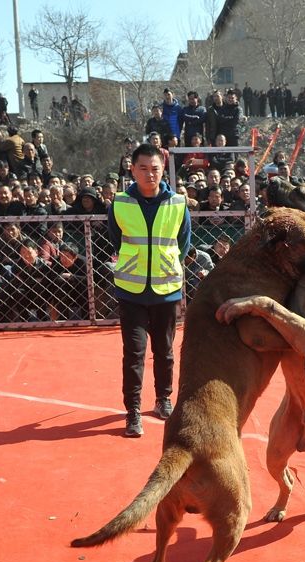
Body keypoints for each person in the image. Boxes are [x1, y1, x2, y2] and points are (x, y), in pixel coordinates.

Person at [106, 142, 191, 438]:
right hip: (131, 291)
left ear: (162, 169)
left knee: (165, 351)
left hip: (166, 290)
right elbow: (117, 241)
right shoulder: (119, 203)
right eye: (142, 168)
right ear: (132, 170)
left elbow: (183, 245)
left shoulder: (178, 203)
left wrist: (165, 266)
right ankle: (133, 411)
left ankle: (163, 398)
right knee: (134, 352)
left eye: (154, 168)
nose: (149, 174)